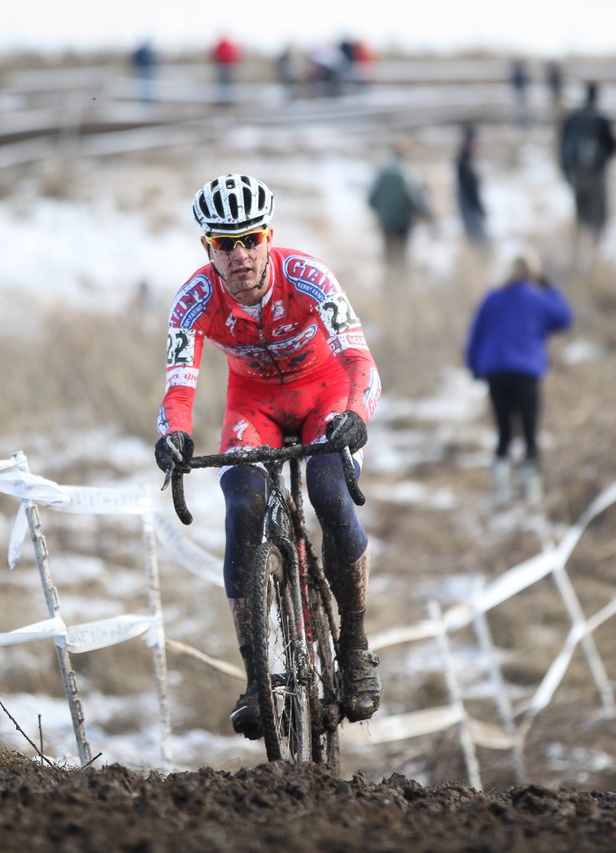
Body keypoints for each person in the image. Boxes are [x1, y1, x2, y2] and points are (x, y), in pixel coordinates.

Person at [155, 174, 383, 737]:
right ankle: (258, 680)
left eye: (250, 239)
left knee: (329, 487)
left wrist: (354, 414)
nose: (240, 255)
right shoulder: (195, 299)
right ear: (207, 247)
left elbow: (360, 363)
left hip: (324, 395)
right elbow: (178, 391)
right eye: (224, 244)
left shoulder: (308, 277)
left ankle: (354, 649)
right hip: (252, 407)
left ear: (269, 236)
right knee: (241, 502)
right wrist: (174, 435)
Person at [465, 249, 573, 509]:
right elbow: (564, 318)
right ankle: (532, 494)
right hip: (526, 373)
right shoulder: (536, 298)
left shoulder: (492, 298)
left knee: (503, 432)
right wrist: (550, 287)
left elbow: (475, 334)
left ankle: (501, 493)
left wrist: (474, 366)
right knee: (529, 432)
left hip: (496, 373)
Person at [559, 81, 616, 243]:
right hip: (596, 175)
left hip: (578, 174)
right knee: (597, 214)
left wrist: (566, 170)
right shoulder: (601, 120)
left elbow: (563, 145)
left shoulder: (573, 118)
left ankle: (583, 244)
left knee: (582, 212)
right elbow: (612, 146)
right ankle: (593, 245)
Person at [367, 145, 433, 268]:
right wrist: (425, 215)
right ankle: (400, 279)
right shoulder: (409, 172)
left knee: (389, 252)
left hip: (386, 220)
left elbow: (372, 199)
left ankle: (390, 280)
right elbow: (415, 197)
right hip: (403, 221)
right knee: (401, 254)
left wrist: (382, 213)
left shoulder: (383, 172)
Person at [456, 124, 488, 246]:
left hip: (469, 207)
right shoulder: (465, 162)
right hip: (470, 208)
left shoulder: (467, 159)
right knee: (478, 241)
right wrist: (479, 207)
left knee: (476, 240)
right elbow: (471, 188)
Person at [212, 35, 243, 105]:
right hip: (229, 67)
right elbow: (236, 55)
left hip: (221, 66)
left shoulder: (220, 45)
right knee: (228, 84)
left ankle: (222, 102)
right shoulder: (230, 45)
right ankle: (228, 102)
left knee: (222, 84)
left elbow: (214, 54)